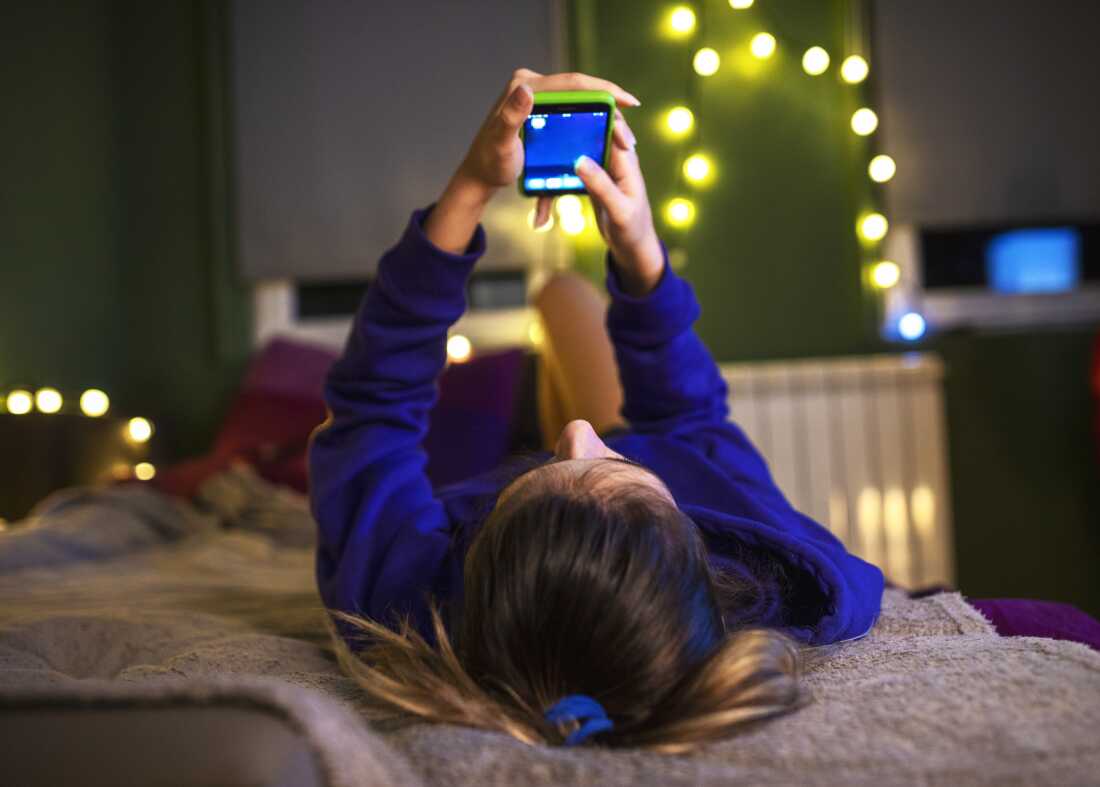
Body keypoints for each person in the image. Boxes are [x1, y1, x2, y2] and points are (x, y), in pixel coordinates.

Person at [308, 69, 884, 752]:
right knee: (564, 296)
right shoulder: (764, 553)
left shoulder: (406, 603)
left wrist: (470, 187)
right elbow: (689, 420)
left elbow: (372, 411)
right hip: (652, 440)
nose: (575, 433)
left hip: (467, 506)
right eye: (617, 469)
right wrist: (639, 248)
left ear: (475, 562)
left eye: (538, 475)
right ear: (698, 542)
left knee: (556, 294)